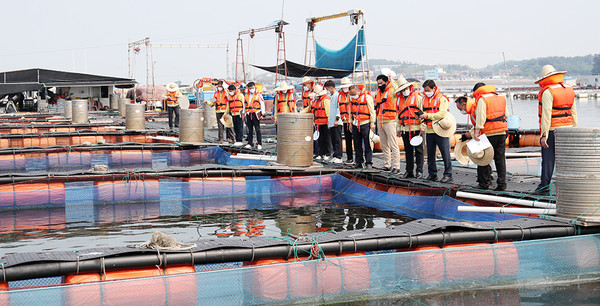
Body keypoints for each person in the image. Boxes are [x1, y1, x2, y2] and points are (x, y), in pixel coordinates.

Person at [534, 65, 578, 195]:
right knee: (566, 159)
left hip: (553, 130)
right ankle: (568, 186)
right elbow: (573, 111)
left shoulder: (548, 92)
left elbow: (546, 115)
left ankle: (544, 187)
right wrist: (574, 128)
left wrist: (544, 135)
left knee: (548, 159)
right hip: (568, 129)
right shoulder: (569, 89)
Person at [456, 83, 509, 191]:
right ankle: (502, 184)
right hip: (502, 131)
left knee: (482, 158)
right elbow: (506, 114)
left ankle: (484, 183)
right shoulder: (499, 97)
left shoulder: (482, 98)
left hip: (488, 132)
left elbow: (481, 117)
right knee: (500, 159)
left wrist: (476, 132)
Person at [419, 79, 453, 183]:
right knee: (430, 153)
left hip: (441, 130)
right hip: (429, 130)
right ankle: (432, 174)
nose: (426, 92)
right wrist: (421, 120)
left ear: (434, 88)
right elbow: (421, 113)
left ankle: (448, 174)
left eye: (428, 90)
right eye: (425, 90)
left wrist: (428, 115)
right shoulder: (423, 99)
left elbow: (442, 113)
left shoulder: (442, 99)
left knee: (445, 153)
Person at [395, 76, 424, 179]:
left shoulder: (418, 97)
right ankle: (409, 171)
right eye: (402, 90)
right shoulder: (398, 100)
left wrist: (422, 126)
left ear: (409, 87)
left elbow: (422, 113)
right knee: (408, 151)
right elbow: (398, 115)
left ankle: (419, 171)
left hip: (416, 128)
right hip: (405, 129)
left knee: (419, 151)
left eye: (405, 89)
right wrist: (398, 128)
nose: (404, 91)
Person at [374, 74, 401, 173]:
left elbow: (397, 90)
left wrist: (391, 80)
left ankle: (397, 166)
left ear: (386, 82)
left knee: (393, 144)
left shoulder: (391, 92)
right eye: (378, 83)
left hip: (390, 121)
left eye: (381, 83)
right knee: (384, 144)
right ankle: (387, 164)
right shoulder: (378, 92)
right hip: (380, 121)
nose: (380, 85)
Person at [349, 84, 376, 169]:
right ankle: (359, 161)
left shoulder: (367, 97)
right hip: (355, 123)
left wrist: (372, 122)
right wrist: (350, 123)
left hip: (365, 123)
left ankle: (369, 162)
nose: (353, 95)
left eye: (354, 94)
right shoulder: (351, 98)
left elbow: (372, 111)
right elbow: (350, 111)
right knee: (357, 144)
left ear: (358, 91)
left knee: (368, 143)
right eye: (351, 94)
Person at [301, 84, 331, 160]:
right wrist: (300, 113)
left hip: (325, 123)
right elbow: (308, 109)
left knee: (327, 139)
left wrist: (329, 122)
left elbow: (328, 112)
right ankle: (321, 153)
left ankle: (327, 153)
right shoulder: (315, 102)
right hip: (318, 123)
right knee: (320, 139)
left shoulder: (326, 100)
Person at [324, 80, 343, 164]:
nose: (327, 90)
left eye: (327, 89)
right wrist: (330, 122)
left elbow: (339, 108)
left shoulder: (337, 95)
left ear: (331, 88)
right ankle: (335, 155)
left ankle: (339, 156)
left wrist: (337, 119)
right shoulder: (332, 96)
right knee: (334, 139)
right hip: (332, 121)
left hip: (337, 121)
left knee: (337, 139)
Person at [337, 77, 354, 164]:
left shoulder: (353, 94)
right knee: (348, 141)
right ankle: (349, 158)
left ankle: (359, 159)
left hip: (354, 121)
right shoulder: (340, 95)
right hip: (345, 121)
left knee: (357, 140)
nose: (345, 88)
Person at [243, 82, 265, 150]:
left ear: (254, 87)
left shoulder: (258, 95)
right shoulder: (246, 95)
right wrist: (243, 113)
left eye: (252, 88)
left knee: (257, 129)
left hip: (256, 114)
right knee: (249, 129)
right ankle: (250, 143)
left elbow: (262, 104)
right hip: (249, 114)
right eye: (250, 88)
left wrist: (263, 114)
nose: (251, 89)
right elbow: (244, 105)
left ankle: (259, 143)